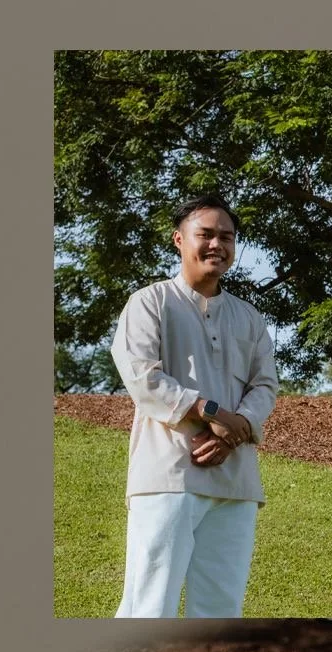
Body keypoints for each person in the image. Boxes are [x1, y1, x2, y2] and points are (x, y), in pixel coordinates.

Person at [110, 193, 279, 618]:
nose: (216, 245)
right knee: (149, 605)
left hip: (235, 481)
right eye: (205, 234)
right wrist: (211, 413)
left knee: (222, 610)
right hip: (168, 474)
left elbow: (265, 386)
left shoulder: (249, 318)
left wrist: (233, 430)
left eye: (227, 236)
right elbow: (143, 376)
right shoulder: (150, 302)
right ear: (179, 240)